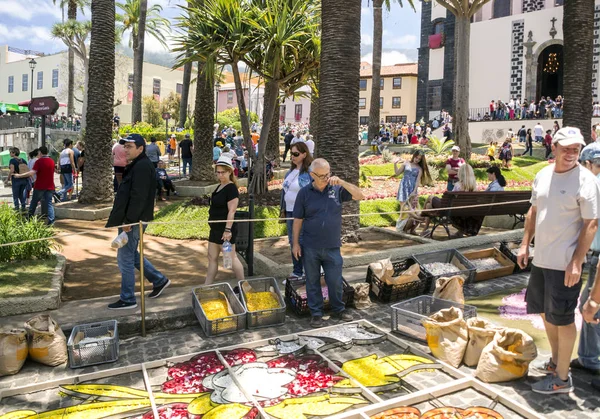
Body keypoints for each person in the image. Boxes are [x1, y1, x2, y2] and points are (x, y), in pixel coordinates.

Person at [517, 127, 600, 394]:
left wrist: (577, 262)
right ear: (554, 148)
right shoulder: (542, 174)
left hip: (565, 264)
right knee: (544, 312)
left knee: (563, 318)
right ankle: (555, 361)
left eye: (576, 149)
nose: (571, 153)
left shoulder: (586, 180)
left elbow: (591, 224)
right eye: (566, 148)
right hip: (541, 260)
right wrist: (524, 244)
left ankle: (562, 380)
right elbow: (533, 210)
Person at [292, 158, 364, 328]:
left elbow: (360, 195)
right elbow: (297, 220)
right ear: (312, 175)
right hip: (310, 245)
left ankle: (338, 310)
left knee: (335, 280)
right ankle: (316, 313)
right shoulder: (304, 193)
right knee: (312, 281)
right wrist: (295, 243)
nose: (326, 178)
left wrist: (342, 182)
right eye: (322, 175)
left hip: (332, 246)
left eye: (328, 174)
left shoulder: (337, 189)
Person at [105, 134, 171, 310]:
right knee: (131, 254)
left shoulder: (141, 166)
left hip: (133, 220)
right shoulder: (137, 165)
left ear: (141, 149)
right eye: (124, 146)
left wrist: (129, 221)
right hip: (131, 219)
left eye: (129, 147)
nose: (125, 150)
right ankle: (159, 280)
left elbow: (138, 197)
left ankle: (128, 299)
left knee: (124, 258)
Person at [205, 156, 245, 285]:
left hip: (225, 229)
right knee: (212, 257)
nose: (220, 175)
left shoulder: (231, 188)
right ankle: (207, 285)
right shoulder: (219, 186)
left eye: (223, 172)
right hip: (215, 229)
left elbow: (231, 210)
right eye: (218, 172)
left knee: (231, 258)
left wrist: (227, 230)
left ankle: (243, 285)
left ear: (229, 172)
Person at [280, 142, 313, 278]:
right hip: (289, 211)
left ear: (304, 154)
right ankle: (297, 272)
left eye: (296, 154)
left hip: (302, 213)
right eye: (291, 153)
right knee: (292, 241)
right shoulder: (290, 172)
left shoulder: (310, 172)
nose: (292, 156)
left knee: (301, 241)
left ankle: (307, 273)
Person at [421, 164, 477, 238]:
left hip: (450, 211)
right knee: (429, 206)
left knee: (430, 197)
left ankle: (421, 216)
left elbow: (450, 200)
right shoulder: (474, 187)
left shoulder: (458, 185)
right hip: (464, 212)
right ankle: (425, 228)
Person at [14, 146, 55, 225]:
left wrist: (19, 175)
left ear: (40, 152)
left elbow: (32, 172)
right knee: (49, 203)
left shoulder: (39, 162)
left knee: (34, 202)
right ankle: (51, 221)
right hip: (50, 186)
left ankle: (29, 218)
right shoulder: (51, 161)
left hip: (40, 185)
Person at [394, 150, 431, 231]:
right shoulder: (406, 163)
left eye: (419, 159)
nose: (417, 159)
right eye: (416, 157)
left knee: (413, 208)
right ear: (414, 156)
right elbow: (397, 173)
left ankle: (411, 228)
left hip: (412, 189)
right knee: (403, 208)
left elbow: (417, 181)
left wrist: (414, 191)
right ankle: (400, 226)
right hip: (403, 188)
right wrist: (395, 164)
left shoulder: (419, 169)